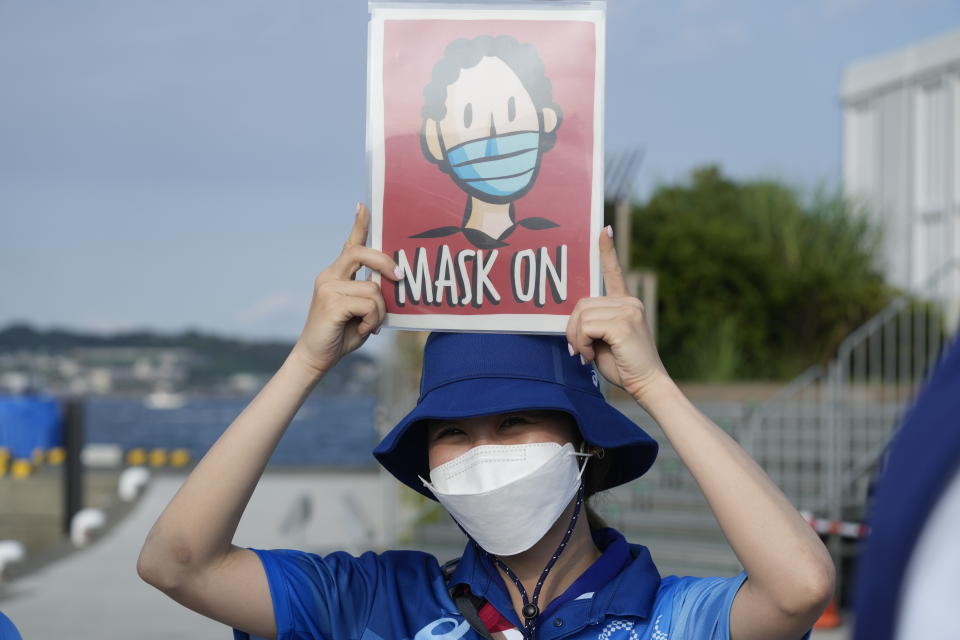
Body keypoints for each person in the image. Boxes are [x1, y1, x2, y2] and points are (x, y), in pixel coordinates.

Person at [137, 203, 834, 639]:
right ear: (428, 462)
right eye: (453, 433)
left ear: (584, 443)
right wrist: (305, 364)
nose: (482, 451)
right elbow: (178, 564)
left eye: (516, 423)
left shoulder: (669, 619)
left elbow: (800, 589)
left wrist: (652, 384)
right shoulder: (374, 602)